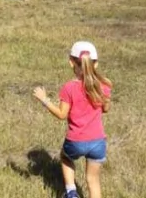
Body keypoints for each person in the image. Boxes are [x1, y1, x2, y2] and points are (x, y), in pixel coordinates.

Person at [32, 41, 112, 198]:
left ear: (71, 62)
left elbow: (62, 114)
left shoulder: (69, 88)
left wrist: (44, 99)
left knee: (65, 157)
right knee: (93, 180)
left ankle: (71, 192)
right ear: (96, 64)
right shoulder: (104, 85)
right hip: (98, 141)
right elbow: (106, 109)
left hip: (76, 141)